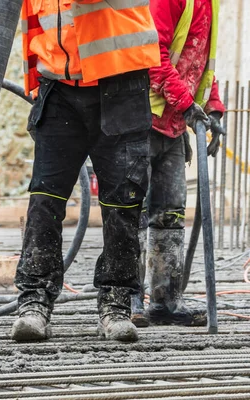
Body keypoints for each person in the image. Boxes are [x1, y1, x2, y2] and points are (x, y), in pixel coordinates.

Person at [12, 0, 161, 343]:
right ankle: (33, 302)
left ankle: (116, 303)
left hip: (119, 84)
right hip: (59, 87)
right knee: (44, 199)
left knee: (123, 203)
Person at [131, 0, 224, 327]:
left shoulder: (209, 4)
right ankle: (128, 301)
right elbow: (152, 55)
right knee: (131, 212)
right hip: (141, 119)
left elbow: (199, 63)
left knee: (169, 215)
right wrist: (186, 104)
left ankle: (165, 303)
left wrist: (213, 107)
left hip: (172, 126)